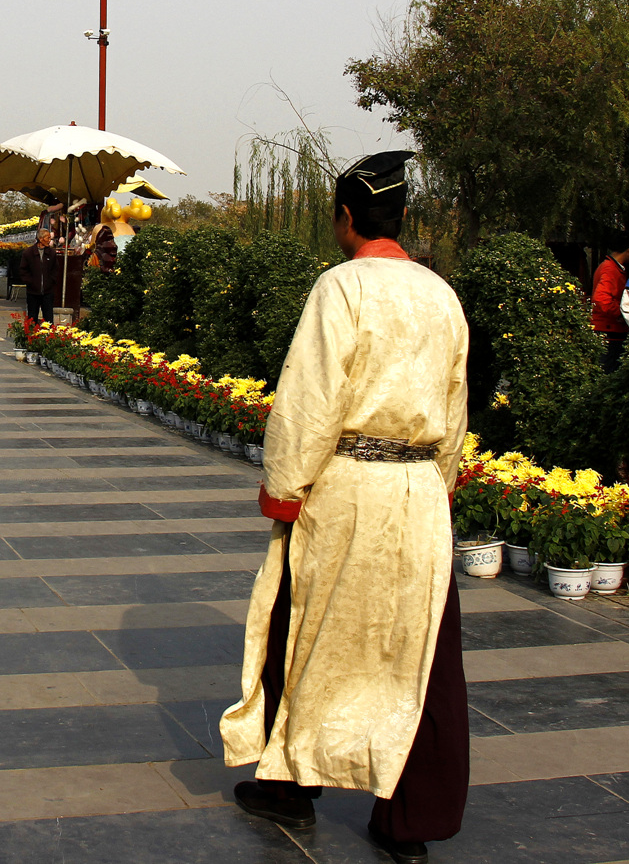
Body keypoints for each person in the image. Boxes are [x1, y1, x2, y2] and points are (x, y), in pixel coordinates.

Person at [221, 150, 469, 864]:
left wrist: (286, 486)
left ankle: (291, 785)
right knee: (418, 649)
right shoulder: (440, 295)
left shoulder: (342, 287)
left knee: (306, 627)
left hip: (350, 482)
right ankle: (410, 820)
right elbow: (454, 407)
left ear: (347, 217)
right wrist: (438, 484)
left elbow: (311, 398)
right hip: (420, 488)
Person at [592, 233, 629, 372]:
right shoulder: (610, 269)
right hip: (609, 329)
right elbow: (601, 298)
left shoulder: (611, 267)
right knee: (608, 371)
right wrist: (621, 314)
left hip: (609, 328)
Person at [17, 227, 59, 323]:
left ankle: (48, 336)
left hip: (48, 292)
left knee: (48, 318)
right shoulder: (28, 253)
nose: (49, 240)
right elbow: (23, 270)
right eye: (48, 238)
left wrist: (51, 281)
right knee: (32, 317)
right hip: (33, 292)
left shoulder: (51, 253)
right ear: (40, 239)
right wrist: (30, 282)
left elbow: (55, 269)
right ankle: (31, 335)